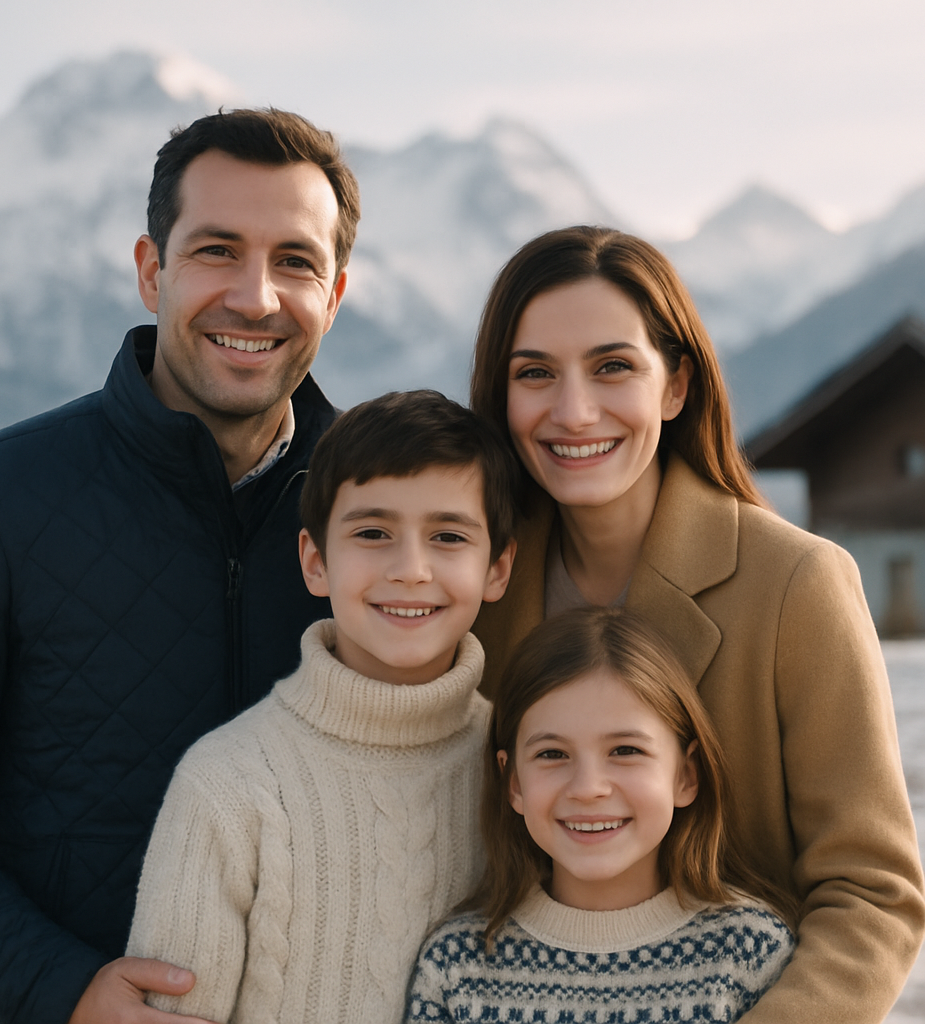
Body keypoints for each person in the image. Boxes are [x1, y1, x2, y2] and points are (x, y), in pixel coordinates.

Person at [0, 108, 359, 1024]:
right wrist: (67, 991)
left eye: (295, 262)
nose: (256, 298)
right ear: (152, 271)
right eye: (217, 251)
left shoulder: (382, 517)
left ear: (336, 293)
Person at [468, 225, 924, 1023]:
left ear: (676, 385)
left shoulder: (797, 586)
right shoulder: (474, 589)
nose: (574, 411)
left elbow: (871, 892)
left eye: (613, 367)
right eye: (535, 373)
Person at [125, 390, 518, 1024]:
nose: (410, 569)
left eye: (448, 536)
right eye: (372, 533)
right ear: (315, 561)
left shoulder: (525, 768)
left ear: (497, 568)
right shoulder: (228, 784)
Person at [405, 606, 796, 1022]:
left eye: (625, 750)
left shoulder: (751, 953)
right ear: (513, 783)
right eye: (552, 754)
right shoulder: (455, 967)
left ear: (686, 775)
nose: (588, 788)